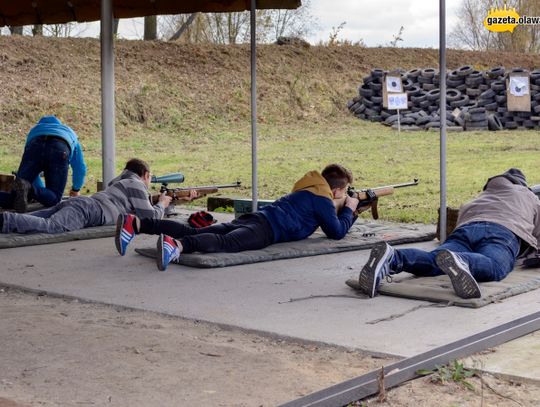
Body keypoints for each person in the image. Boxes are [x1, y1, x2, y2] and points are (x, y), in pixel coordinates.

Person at [115, 163, 362, 271]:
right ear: (338, 191)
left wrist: (343, 207)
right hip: (267, 230)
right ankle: (177, 245)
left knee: (197, 231)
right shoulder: (323, 199)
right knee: (225, 244)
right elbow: (337, 231)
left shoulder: (310, 188)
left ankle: (137, 223)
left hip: (259, 218)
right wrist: (351, 209)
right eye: (344, 193)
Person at [356, 168, 540, 299]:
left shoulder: (478, 198)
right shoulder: (529, 196)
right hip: (503, 231)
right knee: (496, 266)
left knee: (435, 259)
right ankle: (464, 262)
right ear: (522, 185)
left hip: (464, 230)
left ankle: (394, 257)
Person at [0, 158, 193, 235]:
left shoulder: (118, 182)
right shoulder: (136, 184)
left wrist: (169, 203)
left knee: (38, 218)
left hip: (83, 203)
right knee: (53, 227)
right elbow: (150, 219)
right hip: (90, 210)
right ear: (146, 175)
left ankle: (6, 221)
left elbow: (138, 209)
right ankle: (4, 219)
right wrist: (162, 203)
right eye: (149, 178)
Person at [0, 115, 87, 212]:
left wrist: (32, 189)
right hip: (60, 147)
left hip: (34, 145)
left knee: (15, 197)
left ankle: (28, 190)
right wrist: (76, 189)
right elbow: (80, 168)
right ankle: (30, 190)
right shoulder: (68, 131)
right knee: (54, 199)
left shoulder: (35, 130)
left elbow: (33, 174)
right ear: (59, 124)